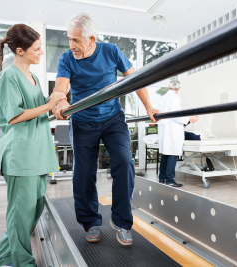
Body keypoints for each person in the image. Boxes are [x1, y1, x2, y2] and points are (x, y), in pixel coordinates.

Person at [51, 13, 159, 246]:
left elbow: (136, 80)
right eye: (69, 39)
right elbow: (60, 89)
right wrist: (60, 102)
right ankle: (91, 222)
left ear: (91, 39)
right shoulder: (67, 59)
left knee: (124, 162)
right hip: (81, 120)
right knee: (83, 173)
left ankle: (121, 221)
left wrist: (149, 107)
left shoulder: (111, 51)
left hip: (112, 118)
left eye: (76, 40)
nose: (72, 45)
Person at [0, 24, 66, 267]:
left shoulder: (32, 77)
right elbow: (13, 116)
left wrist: (55, 108)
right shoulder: (8, 76)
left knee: (31, 212)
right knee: (20, 214)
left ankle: (0, 258)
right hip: (20, 154)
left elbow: (38, 110)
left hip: (38, 151)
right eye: (37, 49)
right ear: (20, 50)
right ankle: (22, 262)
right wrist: (48, 103)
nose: (41, 53)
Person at [158, 79, 198, 187]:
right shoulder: (175, 98)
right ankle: (170, 180)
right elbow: (177, 114)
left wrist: (185, 121)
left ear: (168, 86)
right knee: (172, 153)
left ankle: (162, 178)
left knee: (165, 154)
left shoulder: (162, 98)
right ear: (179, 88)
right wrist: (190, 118)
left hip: (164, 128)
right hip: (172, 129)